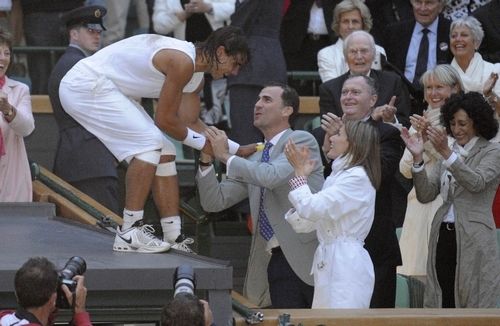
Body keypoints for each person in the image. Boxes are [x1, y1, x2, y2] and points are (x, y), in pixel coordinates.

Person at [58, 26, 250, 254]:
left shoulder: (195, 77)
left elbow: (190, 122)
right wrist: (207, 146)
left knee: (165, 150)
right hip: (83, 85)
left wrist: (235, 149)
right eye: (235, 63)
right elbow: (166, 120)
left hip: (107, 88)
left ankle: (173, 236)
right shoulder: (182, 61)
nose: (235, 71)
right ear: (220, 53)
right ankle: (130, 231)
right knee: (149, 143)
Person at [196, 83, 324, 308]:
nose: (257, 104)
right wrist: (206, 160)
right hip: (273, 258)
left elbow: (271, 176)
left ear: (287, 111)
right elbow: (214, 202)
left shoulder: (301, 140)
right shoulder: (255, 159)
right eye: (258, 99)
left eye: (267, 99)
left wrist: (226, 156)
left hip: (308, 257)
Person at [402, 91, 500, 308]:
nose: (457, 129)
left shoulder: (492, 151)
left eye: (463, 123)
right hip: (442, 235)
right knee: (443, 297)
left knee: (474, 297)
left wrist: (447, 155)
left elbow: (476, 183)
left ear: (478, 122)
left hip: (475, 238)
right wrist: (418, 158)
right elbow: (426, 194)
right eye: (453, 123)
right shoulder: (450, 150)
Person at [317, 75, 404, 308]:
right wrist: (328, 151)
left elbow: (380, 174)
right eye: (345, 92)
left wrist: (348, 145)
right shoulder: (324, 134)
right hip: (332, 249)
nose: (348, 96)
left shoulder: (386, 133)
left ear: (373, 99)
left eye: (355, 92)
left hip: (375, 244)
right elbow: (320, 187)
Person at [284, 119, 380, 308]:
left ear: (352, 143)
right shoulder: (338, 176)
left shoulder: (356, 177)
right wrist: (301, 177)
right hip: (330, 260)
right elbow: (306, 222)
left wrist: (300, 175)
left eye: (338, 134)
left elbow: (311, 208)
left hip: (347, 264)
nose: (331, 139)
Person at [48, 5, 120, 214]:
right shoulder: (78, 66)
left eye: (98, 32)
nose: (97, 36)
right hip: (89, 161)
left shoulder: (76, 63)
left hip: (83, 160)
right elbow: (102, 113)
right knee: (104, 233)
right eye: (90, 31)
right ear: (74, 34)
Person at [397, 64, 463, 276]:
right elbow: (405, 169)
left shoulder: (463, 122)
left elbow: (456, 161)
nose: (433, 93)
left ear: (455, 89)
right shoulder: (420, 121)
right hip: (418, 206)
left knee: (443, 275)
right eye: (428, 88)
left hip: (447, 206)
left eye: (439, 87)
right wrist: (419, 143)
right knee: (417, 278)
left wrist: (426, 145)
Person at [227, 0, 286, 145]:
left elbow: (238, 26)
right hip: (267, 63)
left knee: (247, 134)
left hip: (250, 66)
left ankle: (252, 167)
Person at [381, 0, 452, 114]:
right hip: (401, 102)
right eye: (418, 2)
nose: (423, 8)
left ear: (440, 6)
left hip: (438, 103)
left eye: (429, 3)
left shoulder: (451, 32)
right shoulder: (394, 32)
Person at [0, 257, 91, 326]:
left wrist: (51, 309)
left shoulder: (3, 318)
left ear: (17, 295)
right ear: (53, 299)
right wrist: (80, 311)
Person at [0, 29, 34, 202]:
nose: (2, 58)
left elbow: (27, 128)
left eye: (6, 53)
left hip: (11, 181)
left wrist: (8, 110)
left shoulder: (19, 90)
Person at [317, 0, 386, 83]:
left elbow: (379, 84)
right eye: (345, 21)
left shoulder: (378, 50)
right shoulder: (326, 54)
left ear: (363, 25)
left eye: (355, 21)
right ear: (338, 25)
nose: (350, 26)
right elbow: (332, 88)